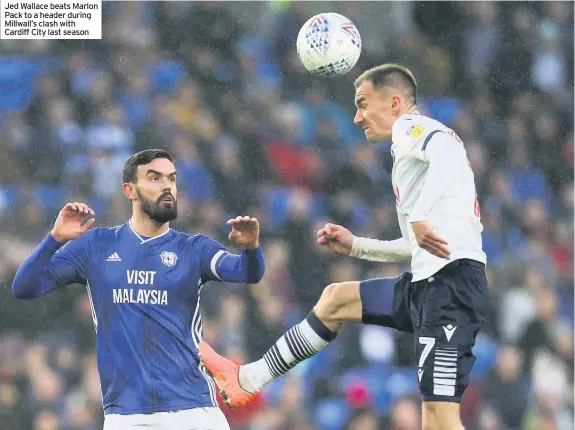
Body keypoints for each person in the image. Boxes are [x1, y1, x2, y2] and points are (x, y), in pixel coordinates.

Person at [199, 64, 491, 430]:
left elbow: (446, 152)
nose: (356, 117)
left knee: (440, 422)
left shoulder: (411, 128)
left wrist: (417, 214)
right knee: (336, 300)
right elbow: (415, 243)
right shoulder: (408, 155)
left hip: (450, 290)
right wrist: (357, 247)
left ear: (395, 103)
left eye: (363, 104)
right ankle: (249, 380)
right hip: (429, 284)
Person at [12, 149, 265, 430]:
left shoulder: (194, 249)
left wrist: (251, 248)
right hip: (126, 417)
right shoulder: (97, 246)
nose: (167, 186)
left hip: (193, 411)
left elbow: (247, 273)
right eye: (154, 178)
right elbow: (24, 287)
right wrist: (54, 239)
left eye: (171, 179)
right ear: (129, 190)